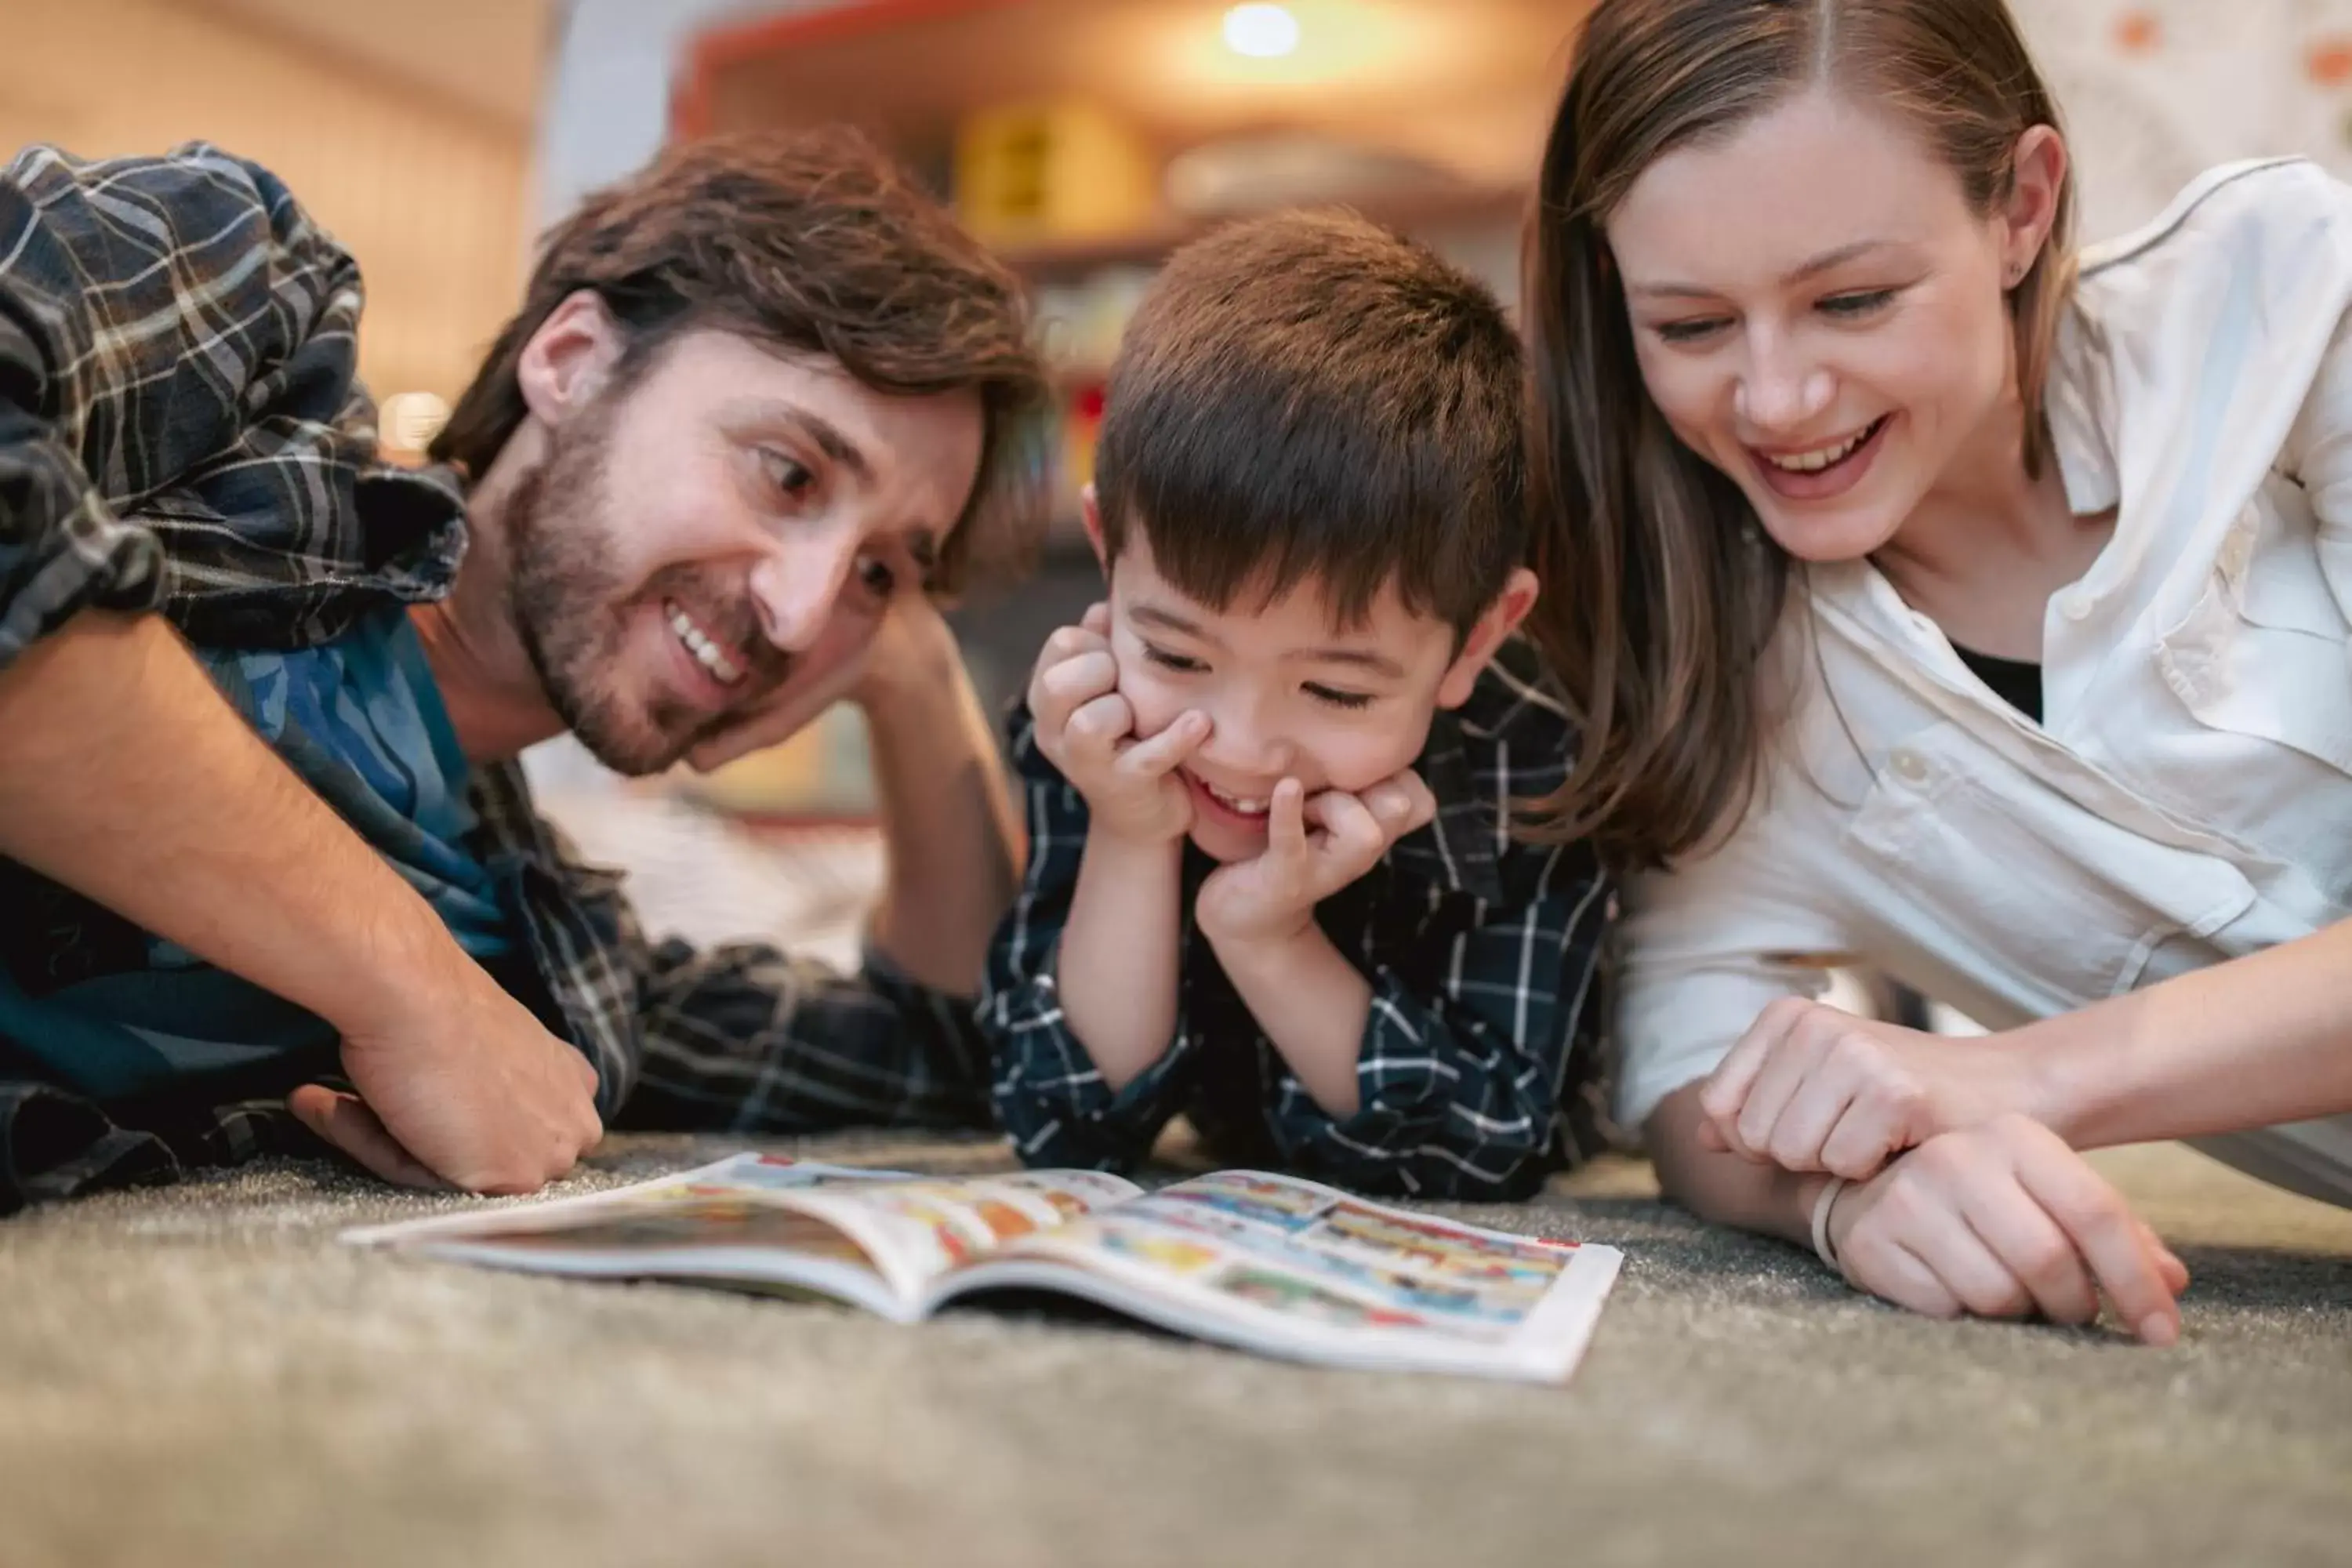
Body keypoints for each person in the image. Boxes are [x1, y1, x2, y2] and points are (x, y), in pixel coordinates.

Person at [0, 128, 1048, 1212]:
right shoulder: (249, 297)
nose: (800, 613)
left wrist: (914, 672)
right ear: (572, 361)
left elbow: (961, 1048)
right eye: (788, 474)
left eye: (877, 572)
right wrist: (409, 987)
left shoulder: (548, 971)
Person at [1521, 0, 2352, 1342]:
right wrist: (1852, 1196)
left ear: (2022, 207)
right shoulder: (1722, 684)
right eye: (1690, 327)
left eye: (1852, 299)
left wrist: (2012, 1080)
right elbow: (1685, 1061)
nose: (1777, 400)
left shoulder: (2288, 291)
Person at [980, 212, 1614, 1200]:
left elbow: (1486, 1146)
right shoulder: (1098, 726)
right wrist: (1130, 830)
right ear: (1107, 553)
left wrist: (1270, 938)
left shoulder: (1533, 762)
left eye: (1336, 688)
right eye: (1178, 651)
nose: (1238, 747)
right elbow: (1067, 1126)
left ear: (1479, 639)